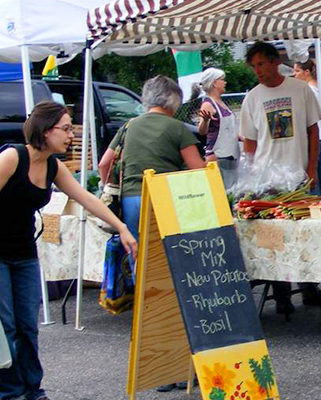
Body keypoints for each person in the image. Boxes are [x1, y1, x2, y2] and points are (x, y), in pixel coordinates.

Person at [0, 101, 138, 400]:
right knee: (6, 326)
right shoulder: (11, 158)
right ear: (45, 130)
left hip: (24, 253)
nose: (71, 135)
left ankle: (33, 390)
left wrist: (121, 227)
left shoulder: (53, 166)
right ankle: (9, 392)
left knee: (27, 326)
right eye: (66, 128)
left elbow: (86, 198)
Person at [98, 75, 204, 394]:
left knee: (148, 281)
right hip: (166, 200)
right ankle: (181, 364)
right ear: (173, 101)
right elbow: (198, 171)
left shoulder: (129, 126)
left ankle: (156, 366)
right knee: (177, 281)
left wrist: (112, 188)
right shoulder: (176, 129)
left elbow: (105, 163)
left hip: (132, 203)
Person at [240, 42, 321, 314]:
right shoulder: (252, 97)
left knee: (304, 235)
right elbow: (249, 144)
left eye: (261, 64)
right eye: (253, 66)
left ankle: (310, 288)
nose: (258, 71)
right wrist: (251, 177)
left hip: (299, 174)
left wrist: (312, 167)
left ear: (276, 62)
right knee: (272, 239)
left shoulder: (300, 90)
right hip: (268, 180)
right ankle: (282, 294)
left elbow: (313, 131)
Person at [192, 67, 240, 189]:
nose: (225, 82)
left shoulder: (221, 103)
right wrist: (206, 120)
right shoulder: (208, 104)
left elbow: (227, 129)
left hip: (230, 155)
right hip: (218, 158)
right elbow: (202, 131)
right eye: (222, 80)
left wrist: (242, 138)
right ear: (214, 83)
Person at [293, 59, 321, 196]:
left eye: (297, 71)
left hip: (314, 138)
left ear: (307, 72)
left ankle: (317, 205)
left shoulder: (307, 90)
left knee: (312, 177)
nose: (294, 74)